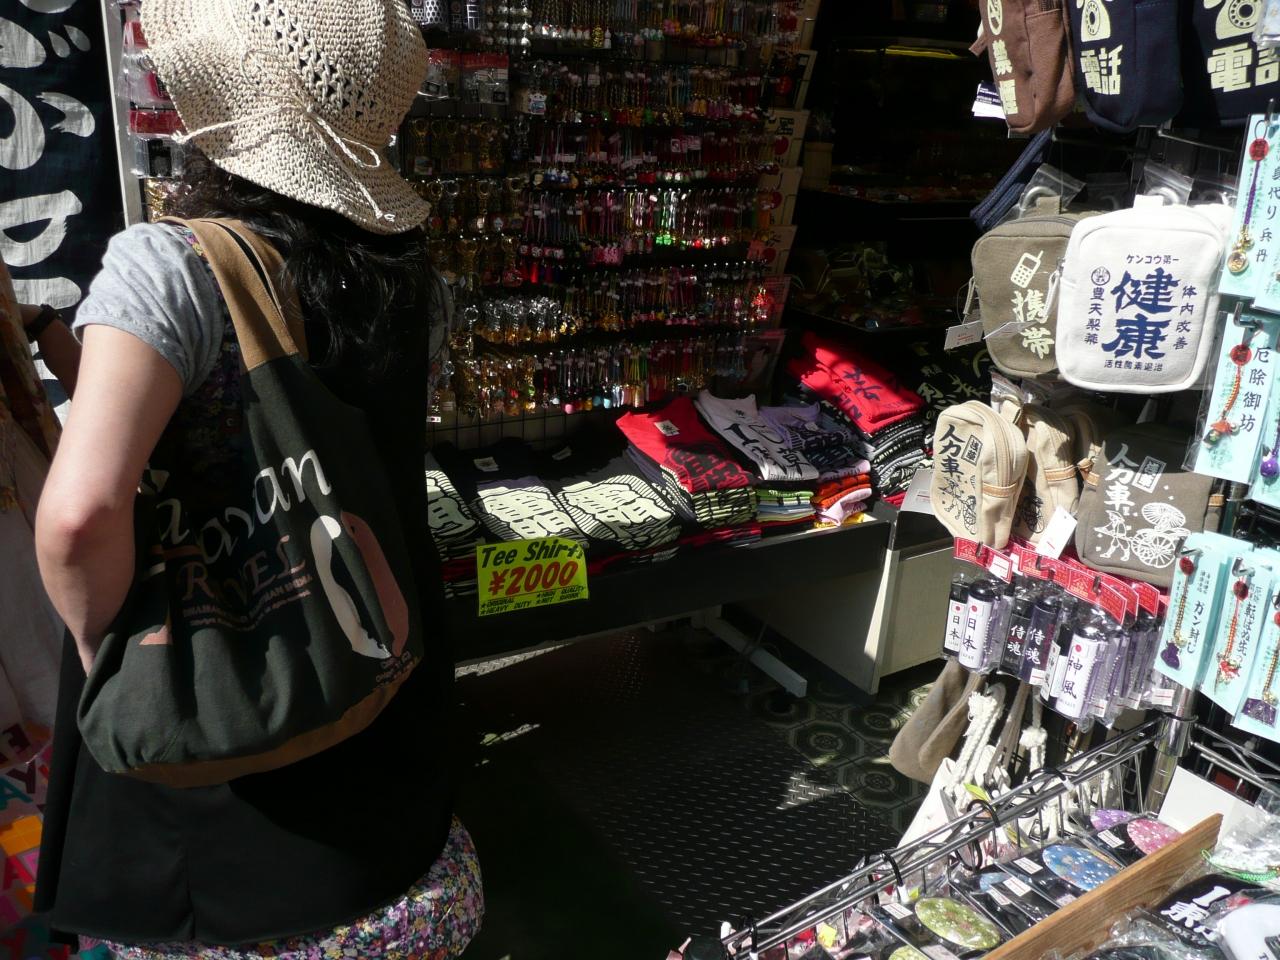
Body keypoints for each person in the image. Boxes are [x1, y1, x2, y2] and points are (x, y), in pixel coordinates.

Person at [30, 0, 481, 956]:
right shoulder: (404, 265)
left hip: (239, 804)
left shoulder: (170, 266)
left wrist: (103, 646)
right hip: (392, 737)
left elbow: (78, 517)